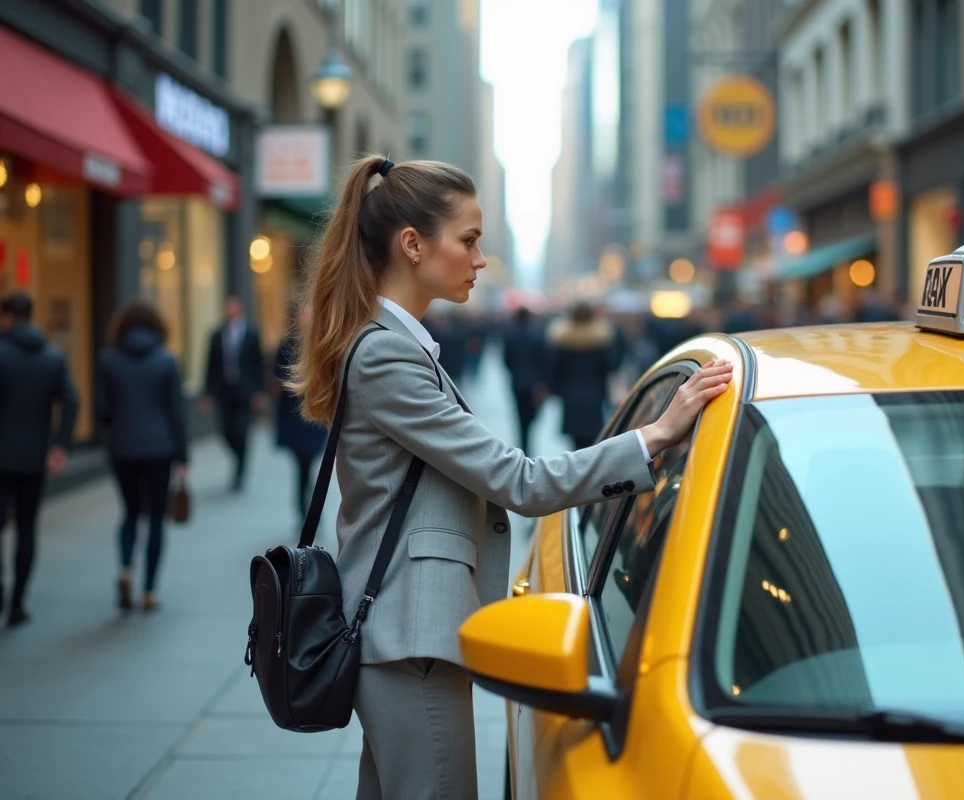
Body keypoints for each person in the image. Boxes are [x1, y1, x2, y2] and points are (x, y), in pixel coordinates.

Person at [285, 155, 731, 800]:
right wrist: (657, 435)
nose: (481, 258)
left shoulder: (396, 345)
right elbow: (517, 481)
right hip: (408, 639)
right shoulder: (386, 354)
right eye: (468, 240)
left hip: (404, 635)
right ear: (413, 244)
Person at [95, 301, 188, 613]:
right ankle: (149, 591)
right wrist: (183, 457)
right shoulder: (166, 360)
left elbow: (101, 412)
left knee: (131, 512)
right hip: (160, 448)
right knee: (157, 519)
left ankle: (125, 568)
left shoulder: (108, 360)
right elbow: (177, 413)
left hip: (122, 448)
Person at [0, 292, 78, 627]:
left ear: (6, 317)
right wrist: (59, 446)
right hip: (35, 456)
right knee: (27, 527)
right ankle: (17, 602)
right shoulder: (52, 356)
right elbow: (71, 401)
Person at [202, 296, 266, 491]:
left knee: (241, 431)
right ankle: (239, 457)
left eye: (233, 307)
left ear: (240, 309)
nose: (229, 310)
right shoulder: (216, 334)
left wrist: (259, 392)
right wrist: (207, 393)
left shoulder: (251, 334)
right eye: (227, 307)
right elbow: (210, 365)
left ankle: (240, 470)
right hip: (224, 391)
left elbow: (258, 364)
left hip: (245, 391)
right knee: (225, 431)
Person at [272, 303, 327, 519]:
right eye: (304, 315)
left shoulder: (322, 343)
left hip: (315, 412)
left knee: (308, 463)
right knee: (302, 465)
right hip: (293, 412)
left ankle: (308, 510)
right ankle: (305, 511)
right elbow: (278, 375)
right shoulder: (286, 345)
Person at [547, 302, 622, 451]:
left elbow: (554, 369)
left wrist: (556, 390)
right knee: (592, 438)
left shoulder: (563, 338)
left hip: (570, 394)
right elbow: (611, 365)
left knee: (575, 441)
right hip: (594, 394)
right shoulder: (600, 338)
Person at [501, 306, 548, 453]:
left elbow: (506, 360)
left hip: (517, 382)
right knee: (532, 414)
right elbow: (544, 360)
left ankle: (523, 444)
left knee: (519, 416)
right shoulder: (538, 334)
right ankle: (527, 443)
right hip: (534, 384)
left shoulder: (510, 334)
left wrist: (515, 372)